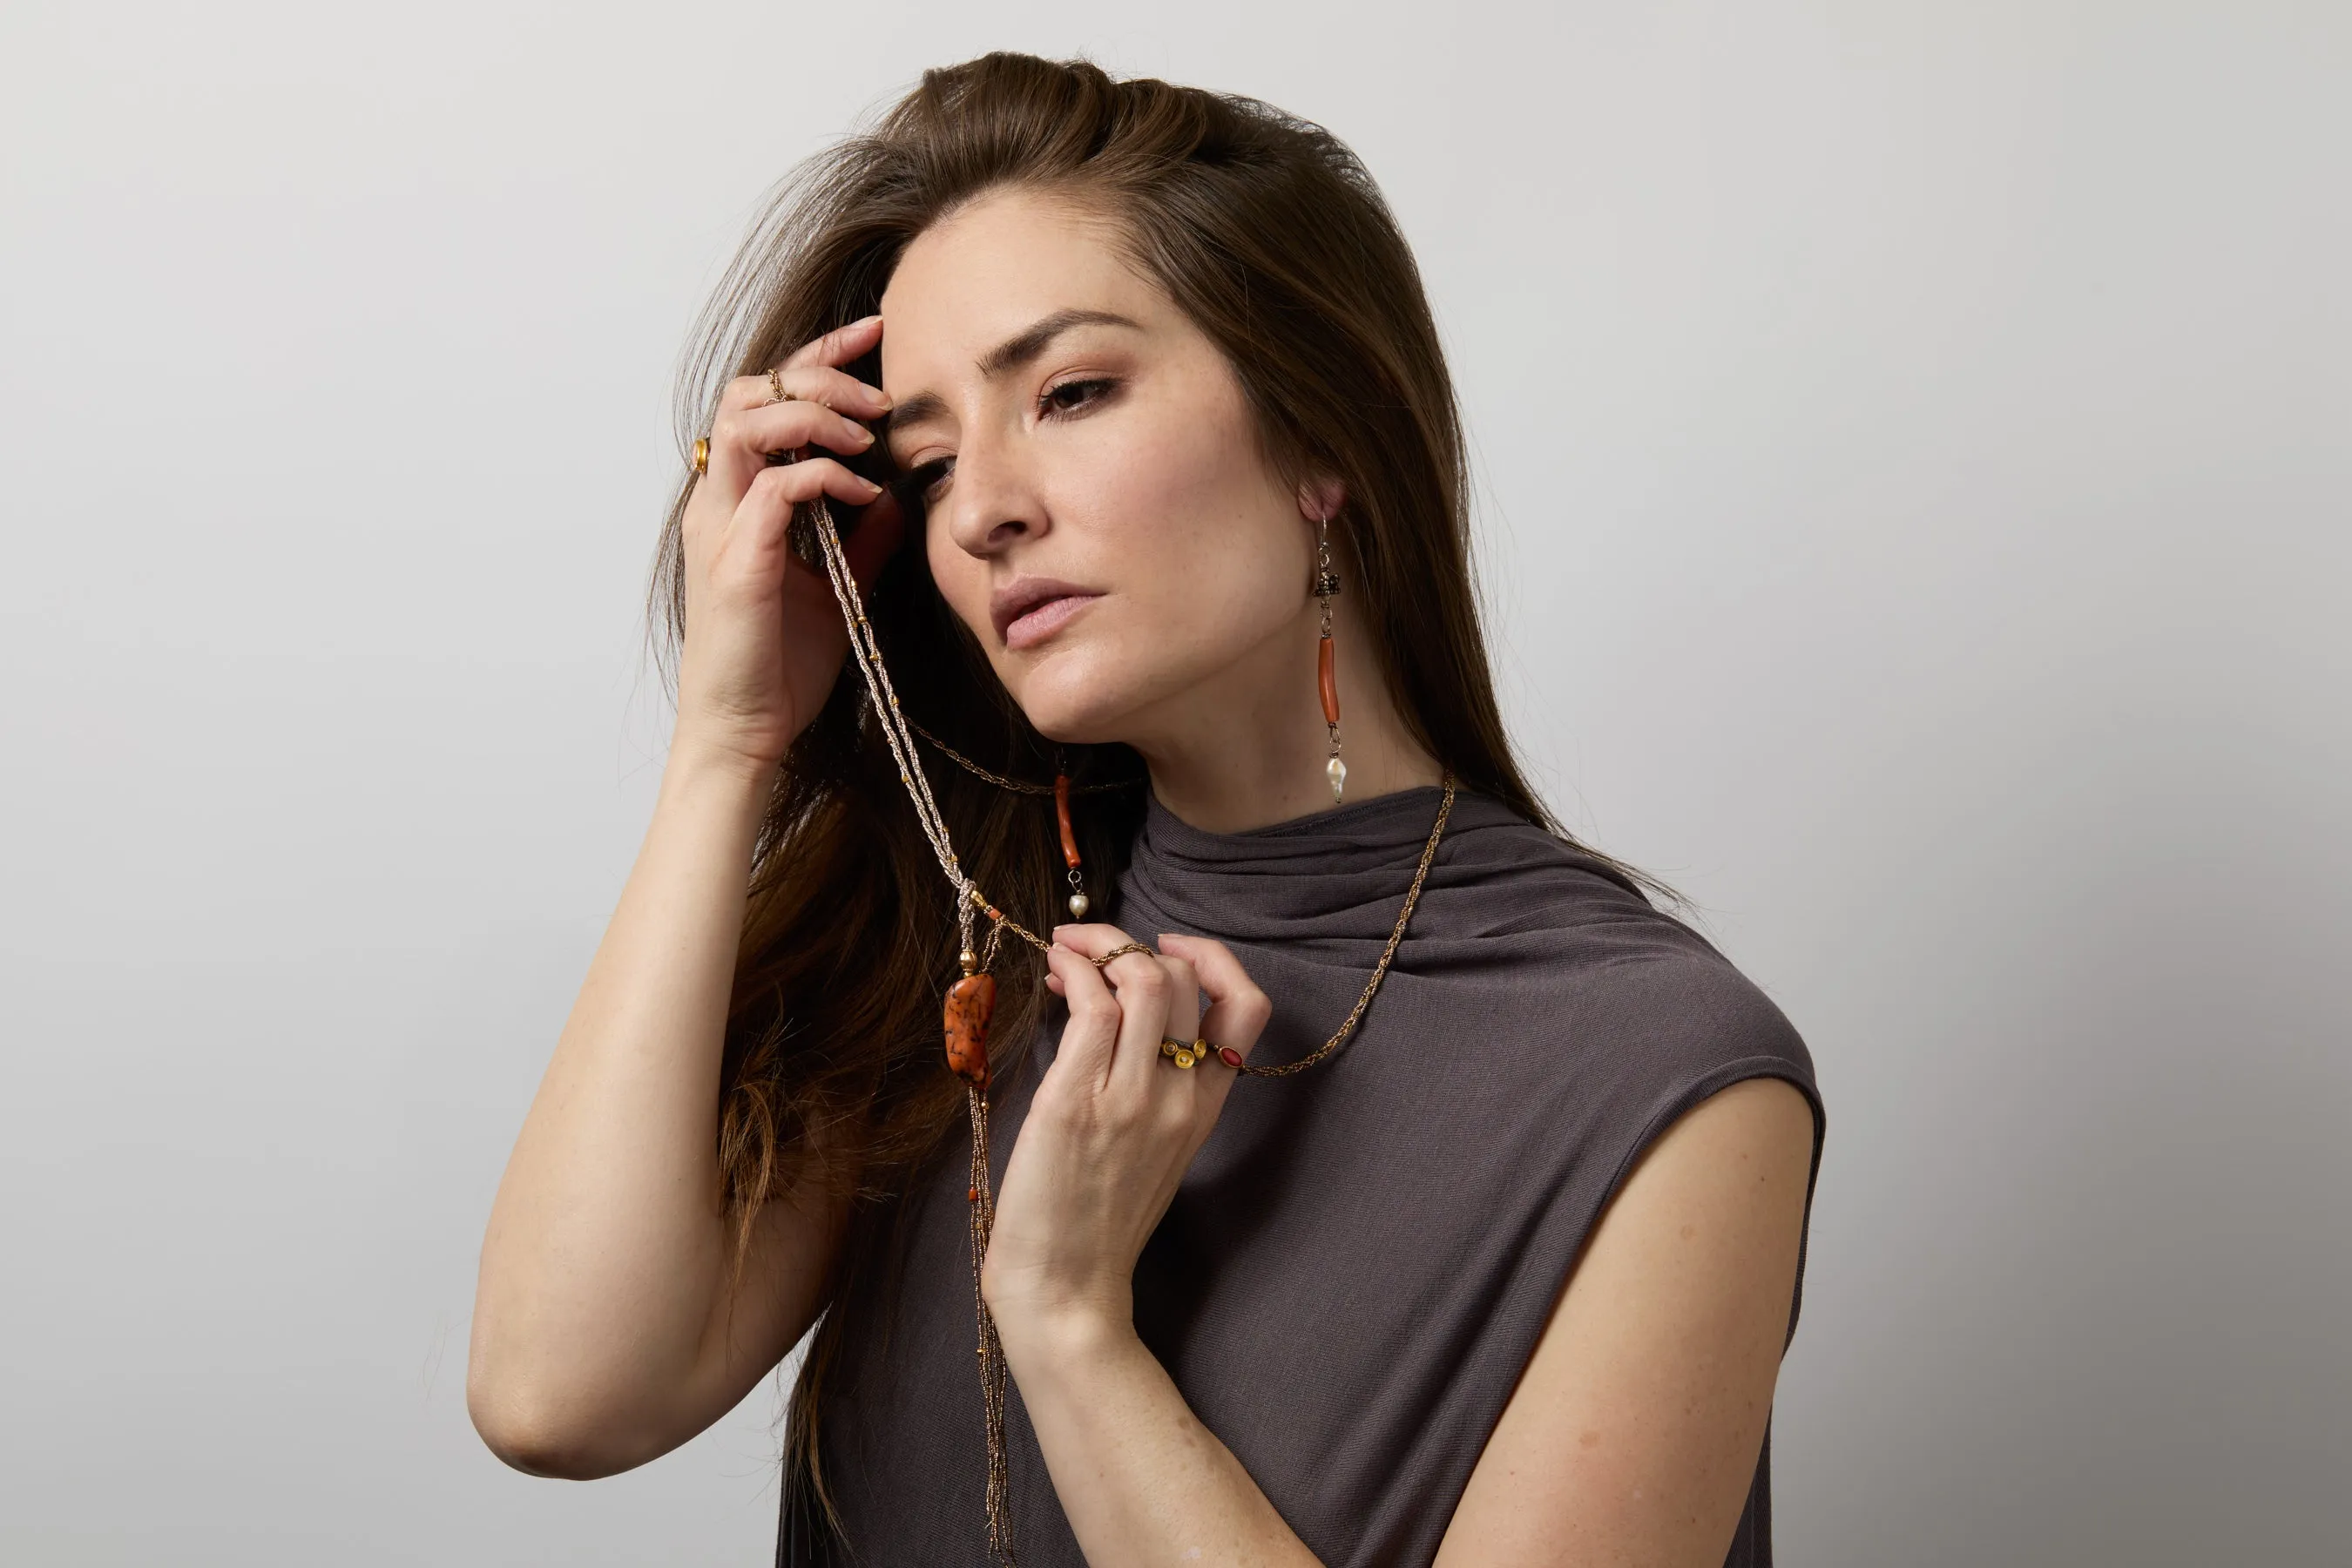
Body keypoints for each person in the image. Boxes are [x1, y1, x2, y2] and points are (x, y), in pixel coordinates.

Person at [467, 51, 1826, 1568]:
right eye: (926, 463)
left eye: (1072, 393)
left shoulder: (1662, 1073)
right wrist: (731, 741)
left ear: (1320, 438)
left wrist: (1068, 1325)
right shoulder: (963, 959)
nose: (981, 507)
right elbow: (556, 1396)